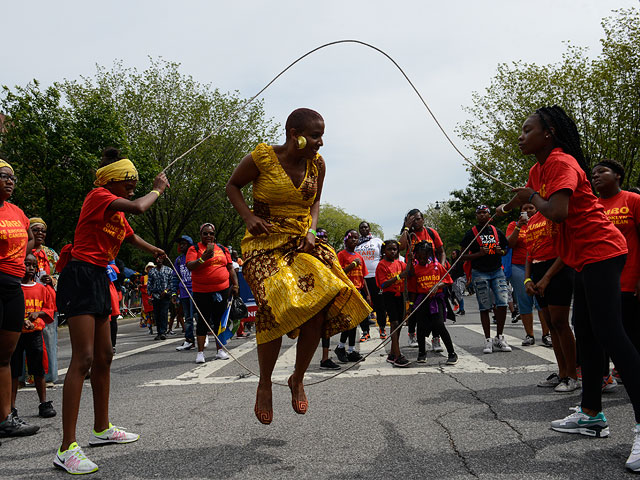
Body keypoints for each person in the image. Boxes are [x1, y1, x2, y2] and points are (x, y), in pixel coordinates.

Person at [499, 105, 640, 472]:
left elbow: (559, 211)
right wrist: (522, 200)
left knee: (612, 335)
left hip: (602, 251)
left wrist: (529, 197)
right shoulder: (536, 170)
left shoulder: (562, 162)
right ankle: (592, 415)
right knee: (588, 335)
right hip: (580, 258)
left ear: (549, 134)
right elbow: (544, 207)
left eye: (527, 129)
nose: (520, 135)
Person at [226, 108, 371, 424]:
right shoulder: (262, 158)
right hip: (263, 245)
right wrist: (249, 218)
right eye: (316, 135)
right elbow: (232, 186)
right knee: (273, 306)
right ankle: (264, 384)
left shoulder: (317, 164)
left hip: (301, 242)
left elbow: (315, 201)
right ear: (295, 134)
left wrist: (310, 229)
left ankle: (298, 378)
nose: (321, 142)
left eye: (322, 135)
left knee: (323, 301)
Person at [53, 148, 168, 474]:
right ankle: (66, 448)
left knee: (105, 355)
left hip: (100, 277)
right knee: (84, 358)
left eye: (135, 182)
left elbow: (131, 236)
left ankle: (101, 428)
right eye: (128, 182)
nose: (132, 186)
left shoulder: (115, 212)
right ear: (112, 181)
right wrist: (157, 188)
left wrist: (155, 250)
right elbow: (139, 207)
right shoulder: (97, 196)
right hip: (80, 276)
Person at [0, 159, 38, 439]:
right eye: (4, 177)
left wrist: (24, 258)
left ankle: (5, 418)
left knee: (5, 356)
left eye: (13, 178)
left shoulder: (17, 212)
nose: (10, 181)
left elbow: (28, 238)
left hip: (13, 286)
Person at [524, 210, 578, 392]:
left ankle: (572, 375)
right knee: (551, 324)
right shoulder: (532, 221)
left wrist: (547, 277)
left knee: (560, 323)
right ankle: (562, 373)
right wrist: (527, 279)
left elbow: (567, 248)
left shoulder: (557, 213)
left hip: (558, 270)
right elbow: (529, 253)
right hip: (538, 272)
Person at [592, 159, 640, 356]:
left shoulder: (633, 200)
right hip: (602, 280)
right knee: (606, 329)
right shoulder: (592, 206)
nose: (596, 176)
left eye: (602, 171)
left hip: (630, 279)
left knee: (632, 329)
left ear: (617, 175)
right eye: (593, 174)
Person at [10, 253, 57, 420]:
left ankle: (43, 403)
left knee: (38, 369)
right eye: (26, 264)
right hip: (16, 334)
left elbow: (50, 310)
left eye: (33, 265)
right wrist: (21, 321)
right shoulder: (13, 288)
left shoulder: (41, 289)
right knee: (14, 371)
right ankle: (11, 407)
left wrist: (38, 313)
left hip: (35, 334)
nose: (30, 268)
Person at [461, 205, 512, 354]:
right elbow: (462, 256)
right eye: (479, 213)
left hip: (497, 271)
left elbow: (505, 249)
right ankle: (488, 339)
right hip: (479, 272)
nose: (482, 215)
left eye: (485, 213)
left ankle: (500, 337)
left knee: (503, 303)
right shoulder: (471, 233)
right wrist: (478, 254)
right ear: (476, 216)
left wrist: (500, 251)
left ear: (489, 215)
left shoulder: (497, 231)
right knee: (484, 306)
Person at [186, 223, 238, 364]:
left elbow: (230, 268)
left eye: (211, 234)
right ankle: (200, 353)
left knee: (219, 321)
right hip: (201, 292)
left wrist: (236, 285)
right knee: (203, 321)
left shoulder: (222, 249)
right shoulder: (194, 249)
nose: (208, 236)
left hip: (222, 290)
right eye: (205, 233)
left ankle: (220, 350)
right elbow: (190, 266)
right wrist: (203, 258)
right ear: (201, 235)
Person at [506, 204, 551, 347]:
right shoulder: (514, 225)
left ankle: (546, 334)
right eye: (524, 208)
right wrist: (519, 226)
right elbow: (509, 244)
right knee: (524, 300)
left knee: (541, 300)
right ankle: (529, 335)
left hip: (538, 264)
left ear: (537, 208)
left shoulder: (543, 221)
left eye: (531, 207)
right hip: (518, 266)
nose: (527, 211)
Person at [407, 241, 458, 365]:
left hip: (436, 300)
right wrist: (411, 306)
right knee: (421, 327)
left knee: (439, 324)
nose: (422, 259)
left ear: (429, 254)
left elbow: (448, 281)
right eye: (419, 257)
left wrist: (437, 285)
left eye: (424, 257)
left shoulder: (437, 266)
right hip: (421, 300)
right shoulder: (415, 270)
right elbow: (413, 290)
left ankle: (452, 353)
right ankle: (422, 353)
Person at [29, 217, 59, 385]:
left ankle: (48, 376)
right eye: (35, 230)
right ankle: (22, 377)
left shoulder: (51, 254)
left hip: (47, 302)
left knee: (49, 339)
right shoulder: (23, 251)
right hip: (27, 300)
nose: (39, 233)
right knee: (25, 338)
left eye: (42, 230)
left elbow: (62, 273)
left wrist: (52, 280)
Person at [335, 229, 369, 360]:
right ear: (345, 239)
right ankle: (341, 347)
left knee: (355, 323)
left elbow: (363, 277)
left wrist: (367, 294)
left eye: (356, 238)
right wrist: (352, 265)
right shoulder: (341, 255)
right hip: (347, 292)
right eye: (351, 237)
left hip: (358, 292)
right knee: (348, 322)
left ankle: (351, 350)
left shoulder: (359, 256)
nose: (354, 240)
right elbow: (339, 273)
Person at [375, 240, 410, 367]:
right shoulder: (381, 265)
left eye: (395, 249)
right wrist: (399, 277)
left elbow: (409, 271)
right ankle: (397, 354)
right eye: (390, 249)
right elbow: (383, 284)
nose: (393, 251)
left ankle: (392, 352)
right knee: (394, 322)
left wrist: (410, 257)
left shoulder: (400, 263)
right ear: (384, 251)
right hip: (388, 295)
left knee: (399, 323)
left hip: (400, 295)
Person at [355, 221, 387, 338]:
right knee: (363, 305)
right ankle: (365, 331)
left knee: (380, 305)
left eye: (365, 227)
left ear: (369, 228)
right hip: (361, 278)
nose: (364, 229)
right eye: (361, 227)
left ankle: (382, 328)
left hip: (376, 277)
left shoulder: (377, 241)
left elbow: (385, 255)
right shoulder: (356, 243)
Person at [174, 235, 196, 351]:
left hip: (196, 291)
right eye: (180, 244)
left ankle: (203, 336)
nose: (181, 246)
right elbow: (175, 277)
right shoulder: (178, 260)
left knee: (198, 316)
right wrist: (174, 293)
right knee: (188, 318)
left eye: (184, 243)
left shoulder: (196, 256)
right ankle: (189, 340)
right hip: (184, 293)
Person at [147, 256, 175, 341]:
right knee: (157, 314)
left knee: (164, 313)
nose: (159, 260)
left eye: (161, 259)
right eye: (157, 259)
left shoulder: (168, 270)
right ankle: (159, 332)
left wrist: (166, 291)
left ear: (163, 260)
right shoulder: (152, 271)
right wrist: (149, 296)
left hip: (165, 296)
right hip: (156, 296)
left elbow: (171, 282)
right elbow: (149, 284)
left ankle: (163, 332)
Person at [449, 249, 466, 315]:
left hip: (460, 279)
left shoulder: (461, 262)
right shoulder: (453, 262)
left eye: (454, 254)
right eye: (452, 254)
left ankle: (462, 309)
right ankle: (460, 309)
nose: (452, 255)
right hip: (454, 280)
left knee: (459, 294)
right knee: (454, 295)